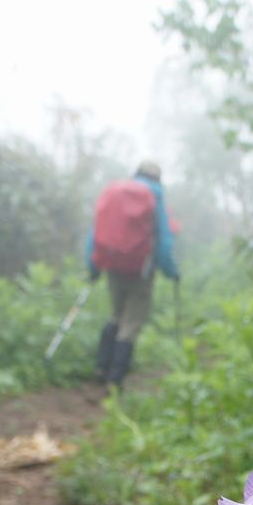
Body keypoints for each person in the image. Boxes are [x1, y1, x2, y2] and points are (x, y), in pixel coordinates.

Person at [87, 160, 180, 387]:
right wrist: (172, 272)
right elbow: (164, 241)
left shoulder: (114, 193)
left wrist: (93, 267)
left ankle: (101, 367)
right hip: (140, 270)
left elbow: (96, 232)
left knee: (116, 315)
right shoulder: (154, 196)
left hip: (112, 265)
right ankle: (115, 378)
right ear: (158, 179)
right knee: (131, 322)